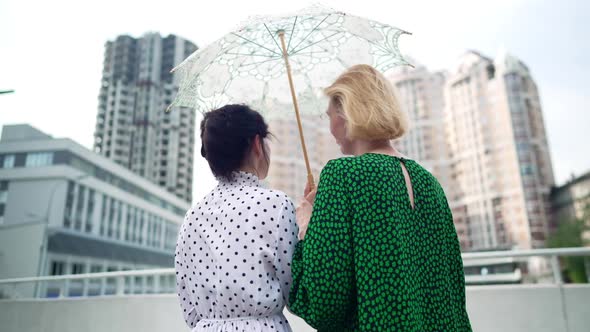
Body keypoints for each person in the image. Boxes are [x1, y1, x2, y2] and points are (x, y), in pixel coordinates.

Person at [289, 65, 472, 331]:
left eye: (329, 115)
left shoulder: (343, 175)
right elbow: (452, 290)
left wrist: (307, 226)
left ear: (347, 112)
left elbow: (322, 304)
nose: (329, 127)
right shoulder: (430, 182)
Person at [175, 104, 298, 332]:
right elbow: (295, 290)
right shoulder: (276, 205)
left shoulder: (192, 216)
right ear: (257, 144)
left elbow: (188, 305)